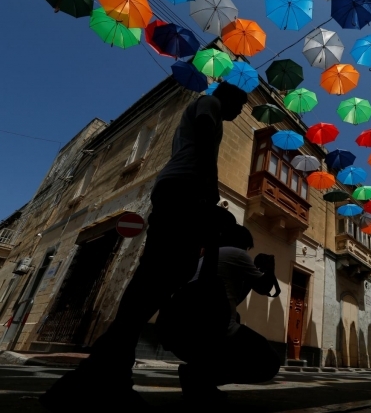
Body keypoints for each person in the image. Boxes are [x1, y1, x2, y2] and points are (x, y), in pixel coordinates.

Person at [40, 81, 249, 413]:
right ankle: (103, 373)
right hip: (185, 190)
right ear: (229, 97)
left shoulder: (202, 111)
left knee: (162, 275)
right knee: (159, 274)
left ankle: (106, 369)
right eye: (240, 105)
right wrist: (210, 187)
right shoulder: (209, 103)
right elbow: (207, 138)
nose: (239, 113)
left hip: (178, 189)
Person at [158, 223, 281, 405]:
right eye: (247, 247)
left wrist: (246, 278)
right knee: (269, 362)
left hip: (182, 334)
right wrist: (269, 268)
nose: (246, 251)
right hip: (214, 332)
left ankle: (200, 380)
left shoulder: (205, 257)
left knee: (235, 317)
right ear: (242, 243)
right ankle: (199, 377)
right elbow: (264, 287)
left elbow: (232, 299)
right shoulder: (237, 253)